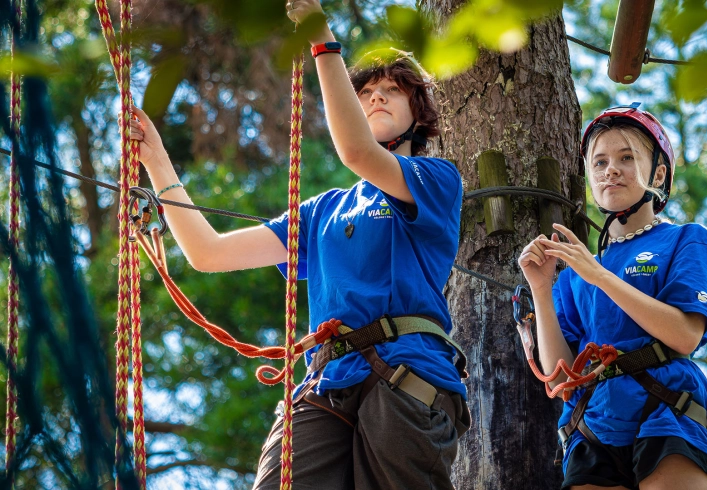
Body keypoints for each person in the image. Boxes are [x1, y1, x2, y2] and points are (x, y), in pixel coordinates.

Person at [123, 1, 470, 488]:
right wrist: (156, 160)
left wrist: (320, 40)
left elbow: (354, 151)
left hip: (405, 373)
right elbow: (209, 253)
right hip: (326, 382)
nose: (376, 98)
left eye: (393, 90)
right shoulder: (322, 211)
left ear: (419, 114)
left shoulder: (435, 180)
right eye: (365, 91)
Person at [518, 104, 707, 490]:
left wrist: (601, 276)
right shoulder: (575, 277)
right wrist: (542, 290)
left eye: (627, 157)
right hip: (595, 418)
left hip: (668, 407)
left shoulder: (685, 239)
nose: (611, 169)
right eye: (600, 162)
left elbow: (685, 335)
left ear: (658, 173)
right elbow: (562, 373)